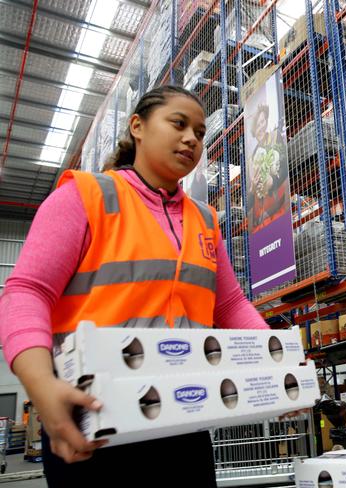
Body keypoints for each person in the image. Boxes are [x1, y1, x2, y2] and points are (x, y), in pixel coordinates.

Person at [0, 85, 270, 487]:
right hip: (95, 420)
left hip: (184, 419)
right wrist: (42, 386)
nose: (191, 138)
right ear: (138, 127)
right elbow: (26, 292)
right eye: (178, 123)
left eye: (199, 132)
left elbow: (229, 304)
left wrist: (277, 363)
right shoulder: (85, 197)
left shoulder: (206, 220)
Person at [246, 103, 289, 232]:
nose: (261, 126)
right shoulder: (252, 158)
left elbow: (284, 167)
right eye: (258, 124)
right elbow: (249, 202)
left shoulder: (275, 137)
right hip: (262, 216)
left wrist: (273, 181)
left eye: (263, 121)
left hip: (279, 206)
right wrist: (252, 190)